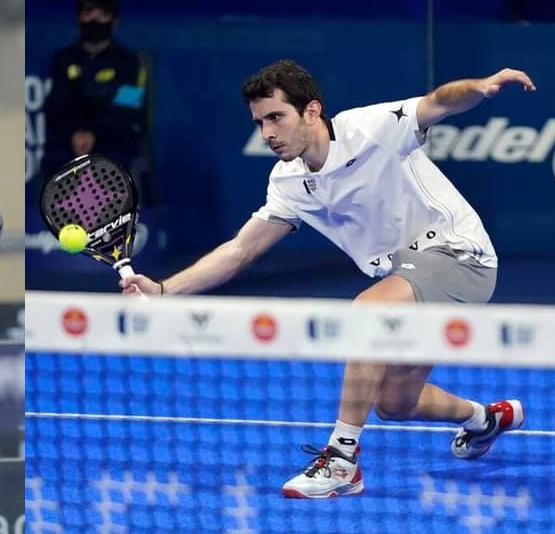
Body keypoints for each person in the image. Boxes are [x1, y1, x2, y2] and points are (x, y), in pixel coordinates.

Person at [121, 59, 535, 499]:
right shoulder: (288, 181)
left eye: (276, 117)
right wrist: (164, 290)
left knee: (368, 312)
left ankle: (341, 461)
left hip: (458, 254)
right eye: (260, 122)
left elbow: (437, 103)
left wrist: (482, 86)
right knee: (395, 402)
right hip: (408, 276)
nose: (267, 133)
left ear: (312, 111)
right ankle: (485, 419)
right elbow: (241, 250)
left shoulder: (371, 128)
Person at [39, 0, 147, 183]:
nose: (94, 19)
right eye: (88, 12)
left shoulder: (130, 63)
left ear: (114, 21)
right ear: (78, 18)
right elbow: (57, 105)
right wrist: (75, 132)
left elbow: (128, 110)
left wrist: (94, 133)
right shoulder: (63, 60)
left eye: (102, 14)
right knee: (55, 158)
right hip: (70, 144)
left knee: (115, 156)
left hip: (113, 144)